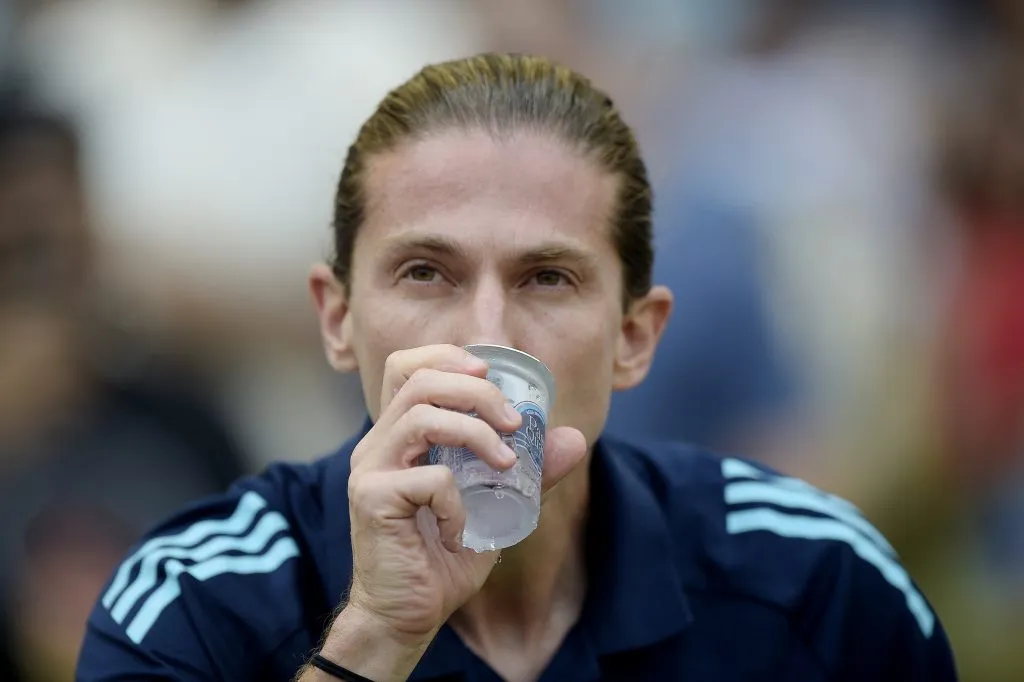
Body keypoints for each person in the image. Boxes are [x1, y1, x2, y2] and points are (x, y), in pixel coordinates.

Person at [76, 54, 957, 682]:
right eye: (426, 272)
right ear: (338, 319)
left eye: (548, 277)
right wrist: (378, 635)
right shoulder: (195, 598)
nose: (483, 333)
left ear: (634, 338)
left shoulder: (818, 582)